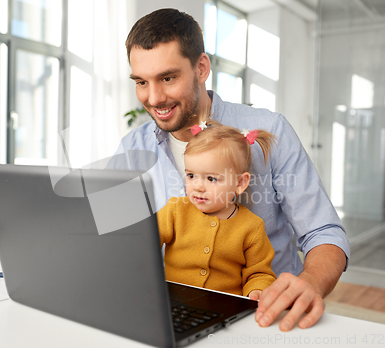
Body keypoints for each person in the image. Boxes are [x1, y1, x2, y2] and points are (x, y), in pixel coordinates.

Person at [114, 8, 350, 331]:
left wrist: (311, 281)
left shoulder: (269, 129)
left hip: (264, 319)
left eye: (167, 78)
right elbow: (114, 242)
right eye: (141, 82)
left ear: (201, 68)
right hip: (172, 317)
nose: (154, 98)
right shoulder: (131, 150)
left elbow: (324, 232)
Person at [158, 120, 277, 299]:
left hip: (225, 309)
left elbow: (259, 273)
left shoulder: (252, 227)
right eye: (191, 175)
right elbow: (145, 243)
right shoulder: (175, 211)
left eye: (211, 179)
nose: (197, 186)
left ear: (240, 183)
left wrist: (257, 291)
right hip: (174, 302)